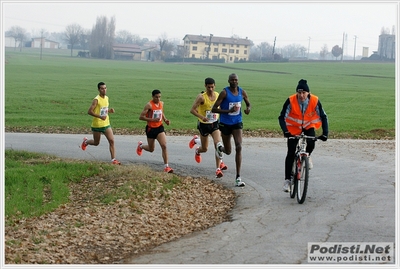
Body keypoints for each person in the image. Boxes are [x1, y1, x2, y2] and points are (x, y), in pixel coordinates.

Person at [278, 79, 329, 192]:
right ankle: (287, 180)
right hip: (293, 128)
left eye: (303, 93)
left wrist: (325, 133)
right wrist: (285, 131)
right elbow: (281, 117)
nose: (301, 95)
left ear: (308, 93)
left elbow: (324, 116)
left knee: (311, 142)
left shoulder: (315, 100)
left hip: (308, 126)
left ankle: (307, 156)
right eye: (299, 93)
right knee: (291, 152)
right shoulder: (291, 100)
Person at [211, 73, 251, 187]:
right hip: (225, 124)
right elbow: (214, 109)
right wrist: (228, 111)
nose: (234, 81)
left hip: (237, 123)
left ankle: (238, 177)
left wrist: (248, 109)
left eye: (236, 80)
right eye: (232, 80)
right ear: (229, 81)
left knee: (239, 147)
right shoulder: (224, 92)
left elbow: (249, 104)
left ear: (238, 81)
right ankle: (220, 148)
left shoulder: (242, 92)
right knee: (228, 151)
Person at [188, 77, 228, 178]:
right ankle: (197, 148)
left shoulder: (218, 95)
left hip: (214, 124)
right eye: (208, 87)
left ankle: (218, 168)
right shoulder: (201, 97)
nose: (210, 89)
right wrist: (202, 117)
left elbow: (221, 108)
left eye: (212, 87)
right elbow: (192, 110)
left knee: (218, 144)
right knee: (204, 148)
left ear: (215, 86)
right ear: (205, 86)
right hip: (203, 125)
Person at [80, 82, 121, 165]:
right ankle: (86, 142)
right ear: (99, 90)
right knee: (96, 143)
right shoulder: (96, 99)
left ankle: (113, 160)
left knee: (112, 141)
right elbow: (89, 111)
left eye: (105, 88)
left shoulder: (106, 98)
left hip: (106, 124)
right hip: (97, 125)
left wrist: (109, 111)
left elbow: (103, 109)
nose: (104, 90)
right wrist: (100, 117)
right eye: (102, 88)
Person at [136, 89, 174, 173]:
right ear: (152, 97)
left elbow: (161, 112)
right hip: (150, 129)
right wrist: (152, 119)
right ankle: (141, 146)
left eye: (159, 97)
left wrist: (165, 119)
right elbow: (141, 117)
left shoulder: (161, 103)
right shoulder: (149, 105)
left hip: (159, 127)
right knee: (151, 149)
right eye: (156, 97)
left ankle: (166, 167)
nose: (158, 99)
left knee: (164, 145)